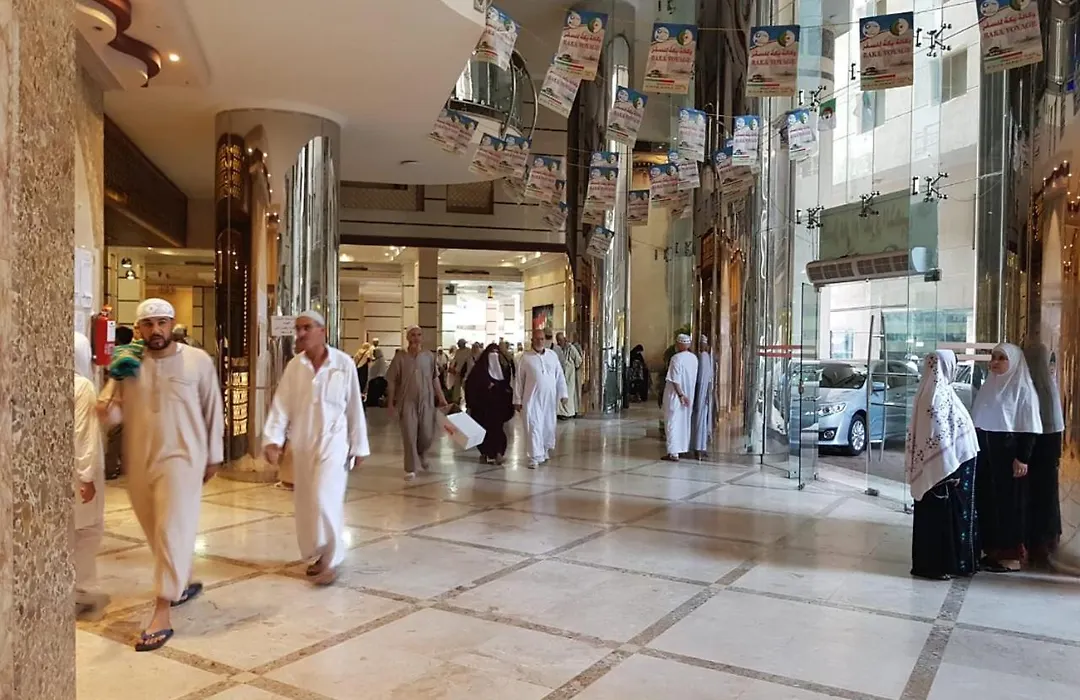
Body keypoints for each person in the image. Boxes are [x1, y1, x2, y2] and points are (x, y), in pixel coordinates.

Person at [97, 298, 223, 651]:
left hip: (182, 458)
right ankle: (179, 580)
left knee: (170, 530)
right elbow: (113, 415)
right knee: (156, 530)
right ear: (139, 329)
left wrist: (214, 455)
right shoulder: (129, 363)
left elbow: (213, 408)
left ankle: (162, 611)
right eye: (149, 324)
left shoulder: (197, 360)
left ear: (172, 324)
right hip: (140, 460)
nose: (156, 330)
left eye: (162, 322)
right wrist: (108, 393)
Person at [264, 310, 369, 585]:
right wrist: (273, 439)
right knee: (308, 502)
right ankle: (319, 552)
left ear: (322, 331)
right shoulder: (294, 367)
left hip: (334, 443)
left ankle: (330, 560)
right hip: (302, 444)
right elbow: (281, 405)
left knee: (325, 496)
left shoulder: (343, 364)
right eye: (297, 329)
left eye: (306, 328)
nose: (300, 334)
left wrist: (359, 445)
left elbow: (354, 407)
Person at [905, 350, 980, 581]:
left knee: (936, 517)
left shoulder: (936, 392)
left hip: (944, 469)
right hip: (944, 471)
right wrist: (948, 470)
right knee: (939, 519)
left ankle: (934, 564)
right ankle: (934, 566)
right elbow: (938, 437)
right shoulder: (937, 396)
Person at [971, 343, 1043, 572]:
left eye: (1002, 358)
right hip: (987, 454)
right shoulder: (989, 386)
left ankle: (1011, 557)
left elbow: (1030, 428)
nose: (995, 362)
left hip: (1009, 455)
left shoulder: (1023, 389)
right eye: (994, 357)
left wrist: (1022, 458)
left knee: (1009, 505)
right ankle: (993, 552)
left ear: (1013, 362)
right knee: (989, 502)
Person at [74, 332, 108, 617]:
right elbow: (84, 433)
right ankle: (80, 590)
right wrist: (87, 477)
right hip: (79, 473)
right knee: (86, 531)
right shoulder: (82, 386)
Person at [388, 326, 449, 480]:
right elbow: (392, 381)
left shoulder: (429, 356)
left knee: (427, 435)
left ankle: (421, 453)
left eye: (419, 335)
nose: (416, 338)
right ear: (408, 337)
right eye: (413, 335)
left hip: (427, 401)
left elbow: (435, 378)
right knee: (409, 434)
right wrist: (390, 403)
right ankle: (411, 468)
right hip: (406, 402)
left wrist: (441, 398)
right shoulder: (400, 357)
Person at [1024, 344, 1065, 568]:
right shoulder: (1049, 387)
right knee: (1047, 494)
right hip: (1050, 444)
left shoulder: (1032, 387)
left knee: (1037, 495)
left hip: (1038, 446)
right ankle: (1047, 540)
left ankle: (1037, 543)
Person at [514, 327, 569, 468]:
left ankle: (543, 451)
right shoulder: (525, 358)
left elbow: (559, 376)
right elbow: (519, 381)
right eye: (537, 339)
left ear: (545, 340)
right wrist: (517, 400)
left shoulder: (552, 356)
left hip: (549, 401)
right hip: (532, 401)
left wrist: (563, 394)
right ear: (532, 340)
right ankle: (533, 457)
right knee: (533, 426)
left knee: (547, 426)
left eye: (542, 339)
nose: (540, 342)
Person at [466, 343, 514, 464]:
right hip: (481, 408)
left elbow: (508, 387)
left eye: (496, 353)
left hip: (497, 408)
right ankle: (485, 453)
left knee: (497, 430)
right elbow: (470, 386)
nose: (494, 356)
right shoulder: (478, 371)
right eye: (492, 353)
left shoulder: (504, 370)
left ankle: (498, 453)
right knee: (483, 431)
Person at [662, 334, 698, 462]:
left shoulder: (676, 358)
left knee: (672, 423)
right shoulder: (694, 358)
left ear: (680, 344)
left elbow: (675, 379)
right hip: (689, 397)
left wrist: (681, 395)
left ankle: (673, 453)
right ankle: (682, 449)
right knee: (684, 423)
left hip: (676, 397)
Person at [691, 336, 714, 459]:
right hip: (701, 395)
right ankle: (698, 448)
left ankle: (702, 447)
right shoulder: (702, 357)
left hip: (704, 395)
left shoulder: (705, 357)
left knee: (703, 421)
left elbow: (708, 378)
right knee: (699, 421)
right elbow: (701, 379)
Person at [555, 332, 583, 420]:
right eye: (558, 340)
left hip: (570, 375)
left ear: (564, 339)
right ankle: (561, 413)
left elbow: (579, 361)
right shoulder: (558, 349)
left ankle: (569, 413)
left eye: (560, 340)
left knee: (569, 394)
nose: (559, 342)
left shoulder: (571, 348)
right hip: (561, 375)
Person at [448, 339, 471, 407]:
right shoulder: (458, 351)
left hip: (465, 372)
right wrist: (452, 368)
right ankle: (456, 399)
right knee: (457, 387)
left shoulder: (468, 351)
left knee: (465, 387)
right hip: (457, 371)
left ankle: (468, 400)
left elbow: (469, 362)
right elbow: (455, 360)